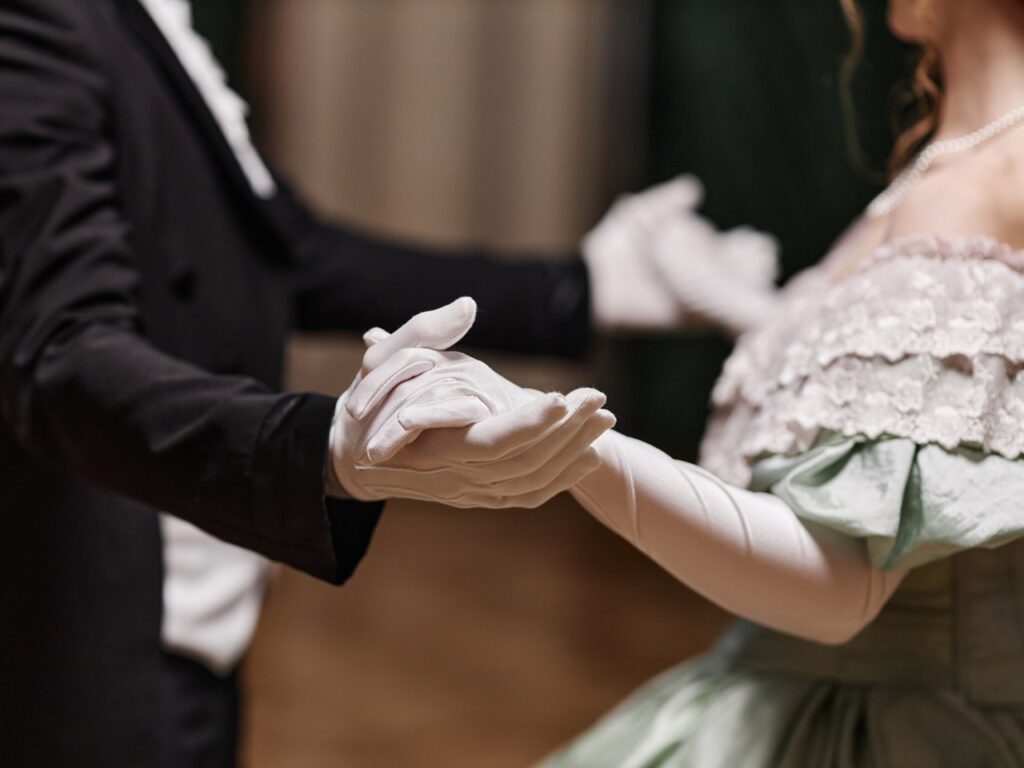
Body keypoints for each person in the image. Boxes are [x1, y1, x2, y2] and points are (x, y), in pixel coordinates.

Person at [0, 0, 779, 765]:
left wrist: (579, 290)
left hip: (199, 596)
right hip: (104, 609)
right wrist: (316, 450)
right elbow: (59, 350)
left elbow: (285, 250)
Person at [526, 0, 1024, 764]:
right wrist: (756, 314)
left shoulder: (966, 189)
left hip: (885, 727)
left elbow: (839, 587)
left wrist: (577, 450)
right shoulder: (949, 168)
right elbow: (925, 398)